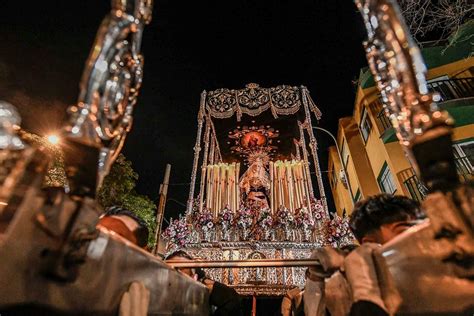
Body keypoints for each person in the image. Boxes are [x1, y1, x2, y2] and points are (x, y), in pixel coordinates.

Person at [305, 194, 425, 316]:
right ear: (370, 245)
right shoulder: (342, 296)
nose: (420, 240)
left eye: (422, 231)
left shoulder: (431, 276)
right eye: (404, 232)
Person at [165, 250, 242, 316]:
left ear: (193, 276)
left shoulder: (200, 288)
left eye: (181, 268)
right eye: (174, 268)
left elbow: (233, 300)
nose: (177, 273)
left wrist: (205, 281)